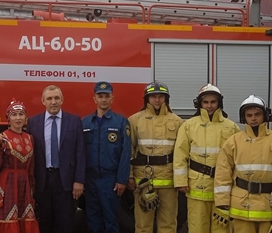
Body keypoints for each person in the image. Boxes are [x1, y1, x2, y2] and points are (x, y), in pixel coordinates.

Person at [214, 95, 272, 233]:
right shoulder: (233, 142)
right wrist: (222, 204)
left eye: (257, 114)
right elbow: (223, 174)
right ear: (244, 118)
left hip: (270, 208)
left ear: (265, 115)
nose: (253, 118)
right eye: (249, 115)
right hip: (240, 208)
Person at [173, 84, 240, 232]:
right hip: (196, 187)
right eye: (205, 102)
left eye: (213, 102)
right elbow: (180, 154)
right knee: (197, 228)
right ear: (200, 104)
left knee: (221, 229)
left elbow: (238, 160)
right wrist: (180, 181)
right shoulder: (189, 126)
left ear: (219, 103)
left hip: (222, 189)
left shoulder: (231, 127)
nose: (209, 106)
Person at [26, 85, 85, 233]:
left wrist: (79, 180)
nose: (53, 102)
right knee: (45, 221)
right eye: (49, 98)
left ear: (62, 100)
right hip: (42, 180)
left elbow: (80, 152)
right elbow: (29, 154)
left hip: (65, 180)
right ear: (43, 101)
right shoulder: (33, 122)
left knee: (65, 222)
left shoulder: (74, 121)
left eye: (56, 98)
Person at [127, 81, 183, 233]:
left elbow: (181, 154)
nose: (157, 100)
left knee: (168, 223)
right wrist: (130, 176)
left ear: (166, 99)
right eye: (153, 97)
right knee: (143, 224)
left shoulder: (177, 121)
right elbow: (130, 150)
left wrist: (181, 180)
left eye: (161, 96)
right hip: (144, 180)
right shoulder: (134, 120)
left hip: (169, 180)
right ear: (147, 99)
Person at [82, 81, 131, 233]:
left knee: (111, 220)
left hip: (110, 180)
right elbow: (79, 153)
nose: (103, 99)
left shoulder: (121, 122)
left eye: (107, 96)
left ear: (112, 98)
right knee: (92, 219)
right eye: (100, 96)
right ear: (94, 99)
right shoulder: (85, 123)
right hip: (90, 180)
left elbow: (126, 153)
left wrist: (122, 179)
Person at [0, 100, 39, 233]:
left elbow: (31, 166)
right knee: (7, 217)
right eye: (14, 114)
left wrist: (32, 187)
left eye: (21, 114)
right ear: (8, 118)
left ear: (25, 117)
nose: (18, 118)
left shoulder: (30, 138)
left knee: (24, 217)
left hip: (25, 185)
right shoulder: (2, 138)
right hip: (8, 184)